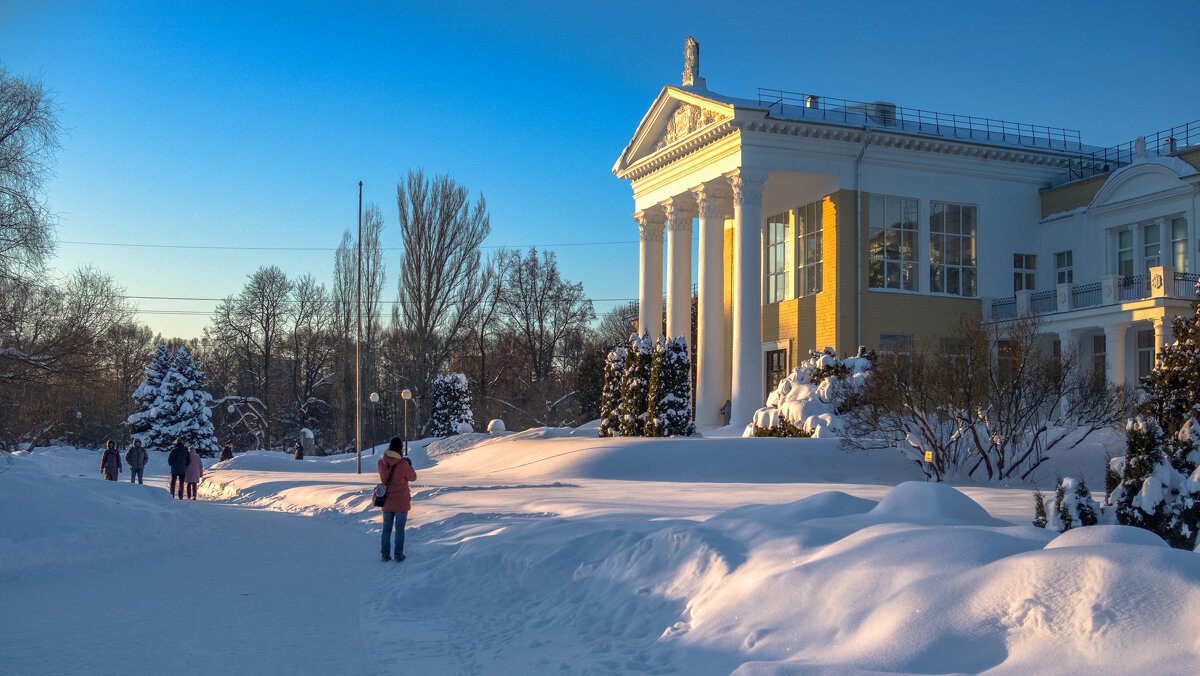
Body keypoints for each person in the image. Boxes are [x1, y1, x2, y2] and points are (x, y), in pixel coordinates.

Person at [377, 436, 417, 562]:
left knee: (386, 529)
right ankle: (398, 554)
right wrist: (409, 465)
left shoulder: (381, 463)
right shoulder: (403, 464)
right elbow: (413, 477)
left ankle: (385, 554)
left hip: (387, 501)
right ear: (400, 449)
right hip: (401, 502)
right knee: (399, 530)